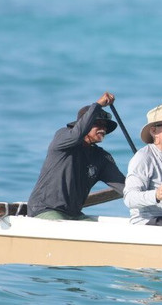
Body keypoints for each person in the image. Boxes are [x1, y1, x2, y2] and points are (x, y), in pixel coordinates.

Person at [27, 92, 126, 221]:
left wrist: (153, 194)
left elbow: (124, 186)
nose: (103, 128)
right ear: (84, 125)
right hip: (45, 209)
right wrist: (98, 105)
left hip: (74, 214)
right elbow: (77, 134)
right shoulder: (62, 138)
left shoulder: (101, 157)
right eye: (98, 124)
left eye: (105, 126)